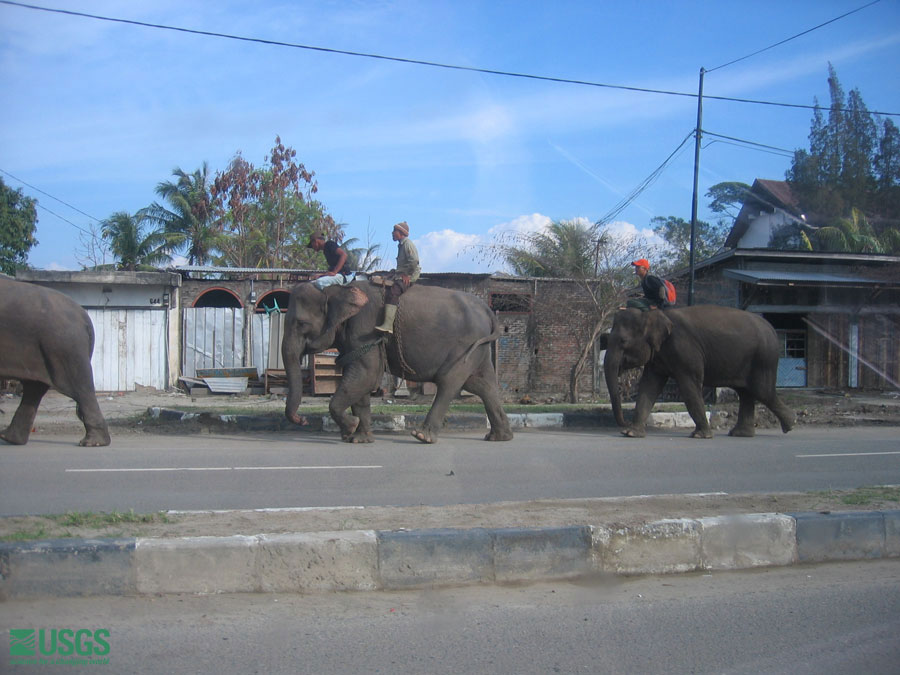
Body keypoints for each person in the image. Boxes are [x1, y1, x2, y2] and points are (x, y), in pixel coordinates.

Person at [375, 221, 420, 334]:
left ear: (401, 233)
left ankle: (388, 325)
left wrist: (407, 274)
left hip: (409, 276)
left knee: (394, 292)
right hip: (401, 274)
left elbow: (414, 261)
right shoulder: (401, 245)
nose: (392, 233)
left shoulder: (407, 244)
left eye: (394, 231)